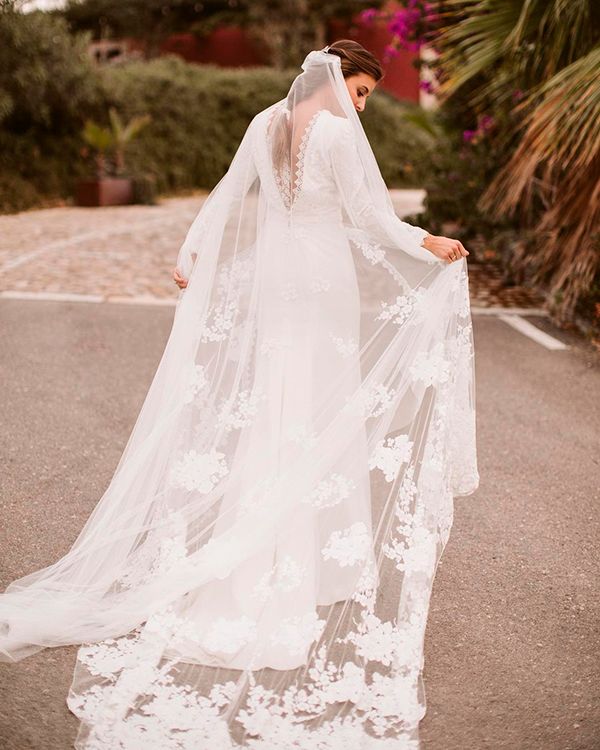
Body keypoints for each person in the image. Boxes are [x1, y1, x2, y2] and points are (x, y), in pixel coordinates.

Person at [0, 40, 479, 749]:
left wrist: (190, 252)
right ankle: (302, 566)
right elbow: (370, 221)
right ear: (333, 80)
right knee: (316, 413)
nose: (362, 104)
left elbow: (227, 192)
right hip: (320, 283)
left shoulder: (263, 122)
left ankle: (277, 551)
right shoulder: (341, 137)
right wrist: (427, 241)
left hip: (274, 283)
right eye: (361, 90)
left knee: (277, 407)